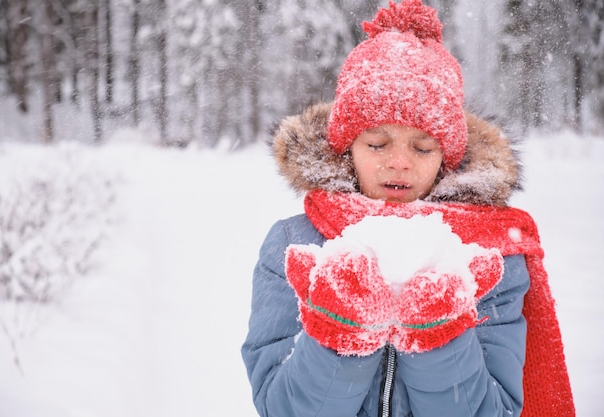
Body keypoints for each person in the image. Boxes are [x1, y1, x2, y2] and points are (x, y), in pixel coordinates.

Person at [241, 1, 575, 416]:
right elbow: (281, 408)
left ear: (447, 157)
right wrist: (340, 333)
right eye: (377, 144)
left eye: (422, 146)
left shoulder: (490, 255)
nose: (399, 162)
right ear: (347, 149)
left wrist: (440, 337)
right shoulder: (294, 244)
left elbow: (496, 410)